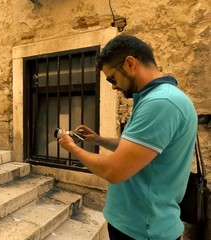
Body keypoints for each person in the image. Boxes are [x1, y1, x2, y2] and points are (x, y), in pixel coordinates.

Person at [58, 35, 197, 240]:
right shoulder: (155, 98)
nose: (113, 86)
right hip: (136, 224)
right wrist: (98, 140)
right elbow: (136, 150)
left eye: (111, 78)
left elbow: (114, 170)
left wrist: (73, 148)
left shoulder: (160, 103)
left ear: (130, 63)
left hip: (143, 230)